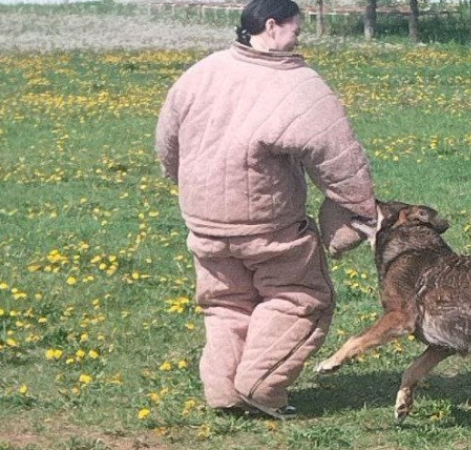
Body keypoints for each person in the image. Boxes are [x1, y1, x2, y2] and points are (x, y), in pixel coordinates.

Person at [155, 0, 377, 419]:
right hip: (268, 226)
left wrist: (190, 188)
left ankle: (223, 393)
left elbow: (168, 146)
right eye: (296, 30)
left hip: (203, 224)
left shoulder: (201, 73)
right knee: (300, 298)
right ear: (272, 28)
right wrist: (356, 214)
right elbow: (339, 160)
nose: (300, 38)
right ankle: (261, 385)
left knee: (226, 304)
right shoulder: (298, 86)